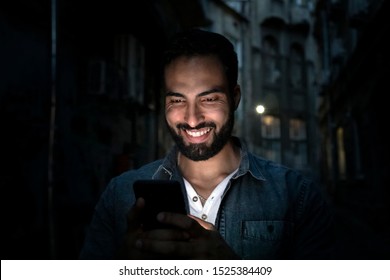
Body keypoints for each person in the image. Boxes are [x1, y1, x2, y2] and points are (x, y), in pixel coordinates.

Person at [79, 28, 335, 260]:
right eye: (177, 100)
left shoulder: (296, 197)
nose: (192, 119)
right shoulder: (119, 195)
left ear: (234, 98)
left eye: (209, 99)